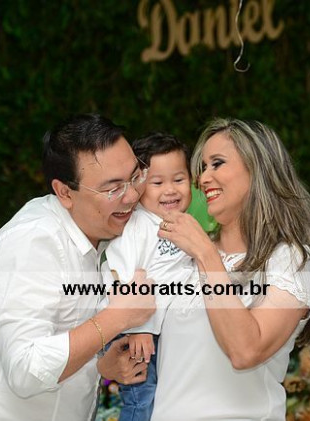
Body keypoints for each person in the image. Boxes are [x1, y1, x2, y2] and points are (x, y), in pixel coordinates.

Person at [0, 114, 156, 421]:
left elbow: (66, 339)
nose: (131, 196)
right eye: (113, 188)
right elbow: (25, 370)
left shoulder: (99, 233)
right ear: (64, 192)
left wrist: (100, 366)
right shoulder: (31, 244)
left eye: (135, 176)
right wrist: (119, 317)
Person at [151, 118, 310, 420]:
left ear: (258, 169)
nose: (203, 178)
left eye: (217, 163)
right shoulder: (182, 255)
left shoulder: (290, 259)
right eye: (202, 167)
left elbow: (246, 351)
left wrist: (206, 255)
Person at [100, 133, 195, 421]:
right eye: (157, 183)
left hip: (156, 330)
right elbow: (120, 277)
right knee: (141, 399)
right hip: (133, 330)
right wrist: (137, 327)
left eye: (178, 179)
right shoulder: (139, 225)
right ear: (138, 185)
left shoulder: (181, 224)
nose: (170, 190)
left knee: (160, 397)